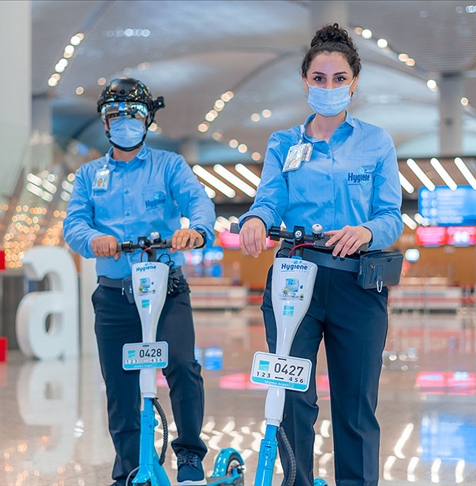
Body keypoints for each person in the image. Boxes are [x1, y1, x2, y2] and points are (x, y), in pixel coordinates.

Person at [238, 23, 403, 486]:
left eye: (338, 78)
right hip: (294, 279)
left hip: (357, 284)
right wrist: (254, 219)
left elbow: (392, 216)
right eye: (318, 78)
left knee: (355, 404)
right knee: (292, 398)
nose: (328, 87)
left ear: (354, 82)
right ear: (305, 81)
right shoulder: (284, 144)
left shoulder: (376, 142)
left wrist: (367, 230)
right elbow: (268, 200)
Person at [63, 77, 215, 486]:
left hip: (166, 289)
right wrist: (95, 239)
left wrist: (196, 229)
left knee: (182, 366)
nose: (124, 122)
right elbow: (74, 224)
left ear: (147, 120)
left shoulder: (169, 165)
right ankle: (131, 468)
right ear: (105, 122)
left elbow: (197, 201)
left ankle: (189, 457)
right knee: (120, 387)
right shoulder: (89, 175)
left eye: (133, 115)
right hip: (114, 297)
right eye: (116, 115)